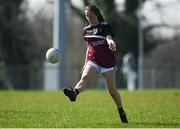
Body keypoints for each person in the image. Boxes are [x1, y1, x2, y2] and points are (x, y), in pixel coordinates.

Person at [63, 4, 128, 123]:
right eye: (87, 16)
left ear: (97, 14)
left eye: (91, 15)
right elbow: (89, 47)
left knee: (112, 91)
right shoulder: (86, 31)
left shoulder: (105, 26)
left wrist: (110, 41)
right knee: (85, 77)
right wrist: (85, 63)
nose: (88, 18)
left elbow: (108, 37)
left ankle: (121, 111)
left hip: (107, 62)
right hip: (93, 60)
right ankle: (74, 93)